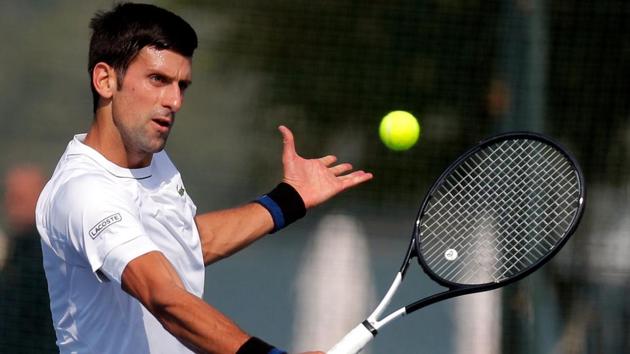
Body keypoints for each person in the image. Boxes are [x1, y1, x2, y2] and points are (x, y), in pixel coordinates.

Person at [35, 3, 372, 354]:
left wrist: (289, 199)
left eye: (182, 85)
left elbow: (183, 244)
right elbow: (162, 295)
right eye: (158, 80)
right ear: (105, 80)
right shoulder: (84, 192)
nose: (175, 100)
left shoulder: (157, 163)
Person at [0, 165, 57, 352]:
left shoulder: (50, 252)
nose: (11, 206)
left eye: (19, 199)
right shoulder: (14, 250)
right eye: (10, 198)